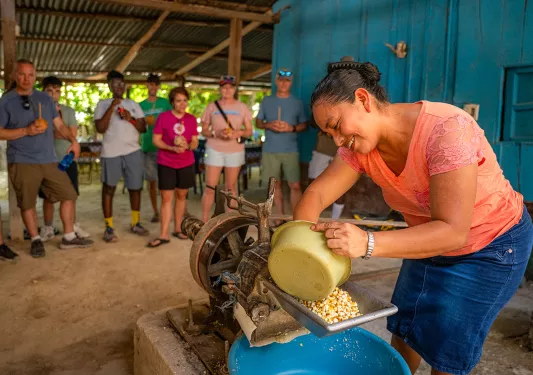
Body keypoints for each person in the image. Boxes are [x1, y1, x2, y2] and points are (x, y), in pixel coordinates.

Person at [294, 57, 533, 375]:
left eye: (336, 125)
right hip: (425, 240)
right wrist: (299, 252)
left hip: (489, 246)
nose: (337, 140)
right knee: (406, 327)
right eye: (329, 133)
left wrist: (366, 242)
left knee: (446, 352)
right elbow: (317, 194)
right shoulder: (358, 147)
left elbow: (452, 232)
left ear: (363, 99)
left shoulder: (446, 130)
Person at [0, 59, 93, 257]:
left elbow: (59, 124)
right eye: (22, 74)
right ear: (15, 75)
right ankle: (35, 239)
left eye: (30, 75)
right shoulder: (6, 101)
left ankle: (68, 236)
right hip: (22, 159)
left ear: (35, 76)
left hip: (49, 159)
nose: (26, 79)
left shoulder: (44, 99)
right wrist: (26, 130)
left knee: (69, 194)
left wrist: (73, 140)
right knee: (28, 203)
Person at [94, 70, 148, 243]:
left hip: (133, 151)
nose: (119, 86)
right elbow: (100, 128)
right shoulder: (102, 104)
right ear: (109, 85)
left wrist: (131, 118)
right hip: (111, 152)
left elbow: (143, 128)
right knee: (109, 188)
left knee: (135, 187)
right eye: (115, 84)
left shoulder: (133, 104)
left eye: (121, 83)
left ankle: (135, 222)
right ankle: (109, 227)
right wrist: (113, 106)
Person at [39, 76, 90, 241]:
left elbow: (72, 134)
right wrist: (62, 132)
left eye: (57, 91)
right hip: (47, 160)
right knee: (48, 197)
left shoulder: (68, 111)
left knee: (71, 195)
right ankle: (47, 227)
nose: (54, 94)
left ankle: (71, 226)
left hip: (67, 158)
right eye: (49, 91)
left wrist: (55, 131)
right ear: (43, 92)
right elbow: (42, 134)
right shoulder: (39, 110)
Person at [148, 87, 198, 247]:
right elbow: (156, 140)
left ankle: (178, 229)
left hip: (186, 162)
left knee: (182, 196)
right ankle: (164, 234)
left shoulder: (191, 119)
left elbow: (195, 141)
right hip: (166, 162)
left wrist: (188, 145)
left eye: (184, 100)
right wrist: (171, 148)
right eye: (178, 100)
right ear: (172, 102)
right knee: (166, 198)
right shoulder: (163, 117)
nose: (182, 104)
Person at [255, 69, 308, 219]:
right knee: (274, 185)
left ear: (291, 82)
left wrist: (290, 128)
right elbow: (258, 122)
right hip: (270, 149)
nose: (284, 83)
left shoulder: (297, 103)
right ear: (276, 81)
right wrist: (269, 125)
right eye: (281, 80)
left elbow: (304, 125)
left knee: (295, 185)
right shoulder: (267, 101)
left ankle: (296, 218)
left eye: (288, 80)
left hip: (290, 149)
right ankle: (280, 217)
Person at [200, 75, 253, 222]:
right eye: (224, 87)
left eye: (230, 87)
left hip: (234, 149)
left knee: (231, 187)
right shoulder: (212, 106)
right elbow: (204, 130)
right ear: (220, 89)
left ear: (234, 89)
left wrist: (238, 133)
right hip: (215, 148)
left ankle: (230, 220)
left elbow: (249, 131)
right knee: (211, 186)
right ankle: (204, 221)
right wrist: (216, 133)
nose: (227, 90)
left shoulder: (241, 107)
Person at [139, 74, 172, 223]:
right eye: (150, 84)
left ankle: (169, 209)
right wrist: (145, 122)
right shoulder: (140, 105)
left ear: (159, 86)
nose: (153, 87)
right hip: (147, 147)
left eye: (155, 85)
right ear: (146, 85)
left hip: (165, 147)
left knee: (167, 182)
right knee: (151, 181)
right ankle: (155, 211)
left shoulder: (165, 103)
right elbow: (137, 126)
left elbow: (173, 121)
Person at [308, 130, 346, 219]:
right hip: (322, 150)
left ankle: (334, 220)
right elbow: (313, 122)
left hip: (343, 153)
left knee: (341, 188)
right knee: (313, 186)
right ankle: (311, 219)